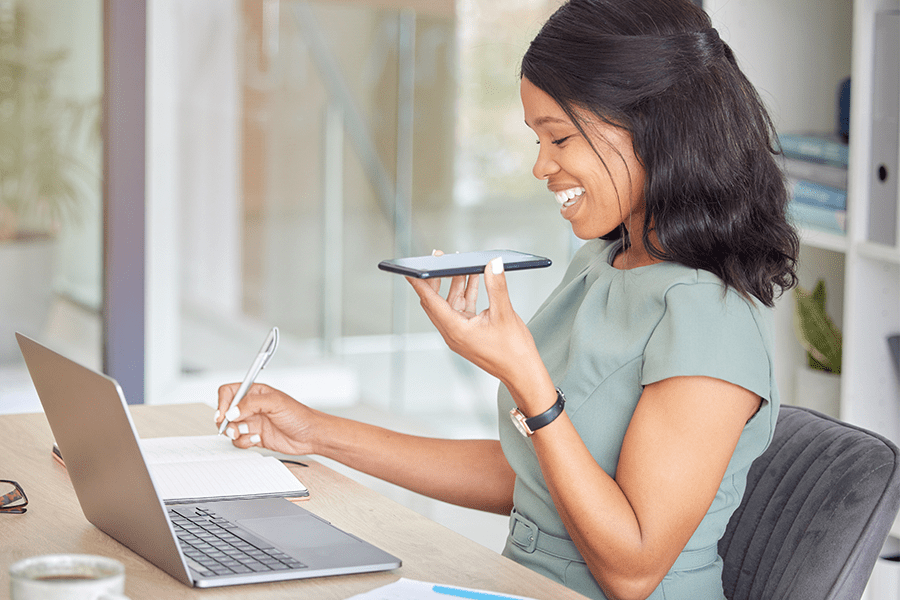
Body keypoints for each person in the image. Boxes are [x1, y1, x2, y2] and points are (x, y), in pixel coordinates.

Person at [215, 0, 800, 598]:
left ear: (655, 127)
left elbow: (633, 569)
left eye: (560, 137)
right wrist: (314, 433)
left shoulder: (711, 317)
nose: (541, 165)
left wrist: (527, 377)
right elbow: (534, 475)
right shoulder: (604, 262)